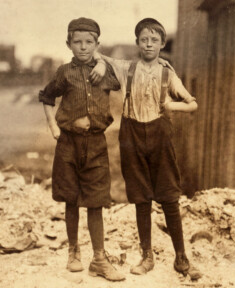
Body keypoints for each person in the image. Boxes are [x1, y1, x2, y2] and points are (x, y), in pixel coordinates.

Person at [91, 18, 202, 280]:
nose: (149, 44)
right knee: (141, 197)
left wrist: (171, 106)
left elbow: (192, 104)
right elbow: (100, 55)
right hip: (131, 135)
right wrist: (97, 61)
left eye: (154, 40)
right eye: (144, 39)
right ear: (137, 42)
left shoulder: (167, 72)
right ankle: (147, 255)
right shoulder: (126, 68)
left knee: (169, 196)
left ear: (163, 43)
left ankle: (181, 257)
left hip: (159, 135)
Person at [38, 17, 125, 282]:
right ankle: (73, 252)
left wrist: (101, 62)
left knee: (96, 202)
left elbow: (119, 81)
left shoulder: (105, 72)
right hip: (68, 144)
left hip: (96, 144)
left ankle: (99, 259)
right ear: (69, 44)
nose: (83, 47)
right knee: (72, 199)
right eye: (77, 42)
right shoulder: (64, 72)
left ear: (97, 44)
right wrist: (53, 126)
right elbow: (46, 96)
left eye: (89, 42)